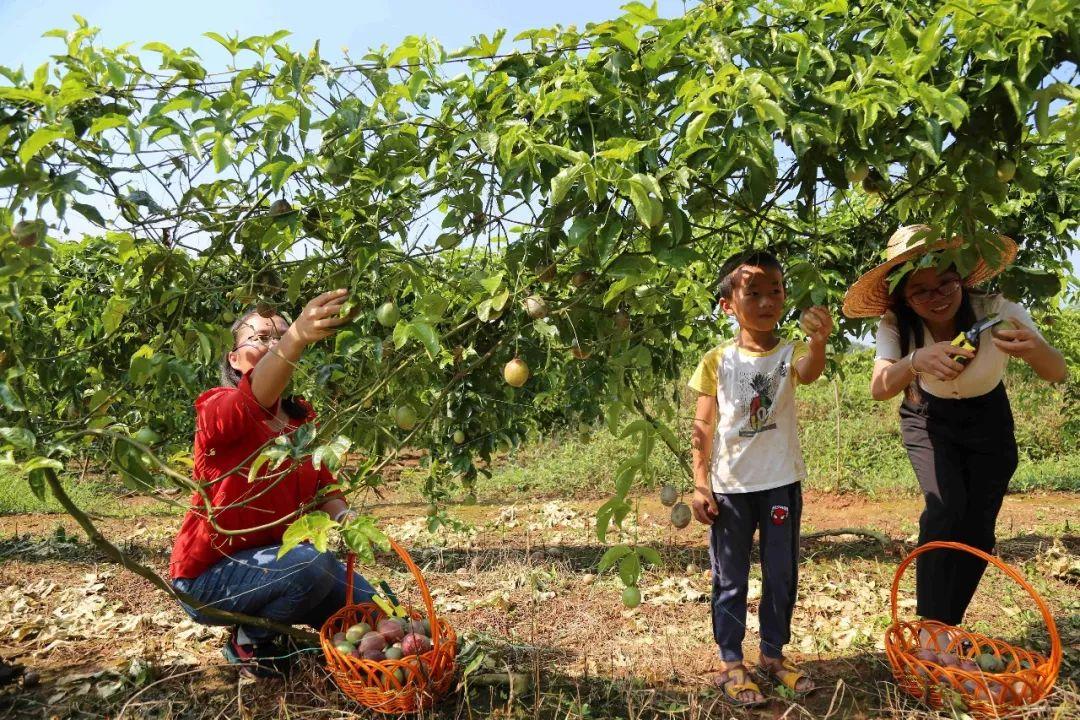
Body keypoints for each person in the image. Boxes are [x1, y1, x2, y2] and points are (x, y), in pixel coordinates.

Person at [843, 225, 1066, 646]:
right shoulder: (896, 323)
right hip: (928, 418)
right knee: (944, 510)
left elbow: (1058, 371)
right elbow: (879, 387)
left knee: (979, 529)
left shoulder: (997, 311)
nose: (937, 296)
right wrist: (915, 360)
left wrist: (1034, 348)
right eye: (921, 290)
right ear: (903, 297)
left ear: (962, 277)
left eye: (945, 281)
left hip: (989, 420)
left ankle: (946, 627)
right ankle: (930, 628)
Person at [169, 289, 377, 677]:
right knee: (312, 563)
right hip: (212, 576)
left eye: (280, 336)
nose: (274, 343)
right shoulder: (217, 408)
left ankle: (309, 638)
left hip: (283, 564)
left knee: (376, 615)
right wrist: (296, 334)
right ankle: (249, 639)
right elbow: (252, 401)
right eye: (261, 337)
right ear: (233, 358)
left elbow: (324, 487)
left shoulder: (300, 423)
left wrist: (351, 525)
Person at [689, 251, 832, 706]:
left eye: (776, 291)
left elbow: (809, 373)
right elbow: (703, 427)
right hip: (731, 488)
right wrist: (700, 483)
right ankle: (731, 660)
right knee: (729, 576)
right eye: (753, 292)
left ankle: (772, 653)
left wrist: (820, 341)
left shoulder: (790, 353)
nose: (767, 301)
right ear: (728, 304)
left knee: (781, 571)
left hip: (779, 483)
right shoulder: (717, 360)